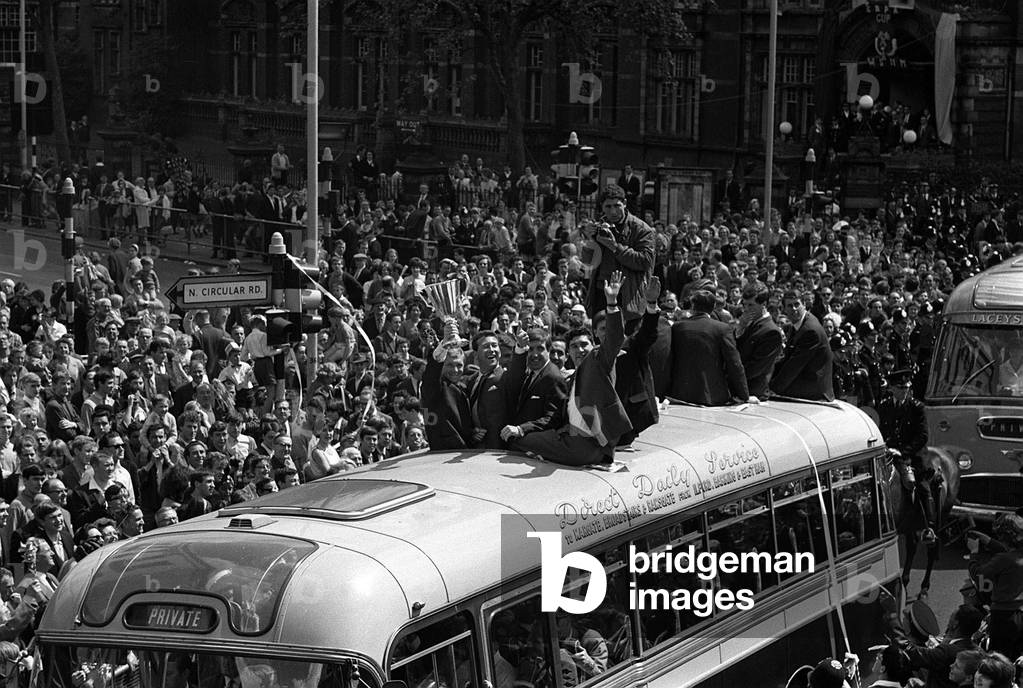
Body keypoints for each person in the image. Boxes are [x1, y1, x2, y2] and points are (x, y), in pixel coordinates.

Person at [513, 271, 631, 466]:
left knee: (517, 441)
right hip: (568, 438)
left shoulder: (600, 363)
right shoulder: (572, 376)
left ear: (594, 346)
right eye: (574, 346)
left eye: (584, 344)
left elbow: (615, 339)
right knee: (517, 438)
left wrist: (611, 303)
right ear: (568, 353)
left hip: (587, 446)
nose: (580, 349)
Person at [581, 186, 656, 324]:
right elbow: (588, 263)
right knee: (601, 341)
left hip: (628, 296)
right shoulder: (599, 227)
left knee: (626, 343)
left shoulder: (641, 229)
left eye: (617, 205)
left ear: (625, 203)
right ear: (602, 207)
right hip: (601, 292)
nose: (613, 211)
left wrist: (615, 247)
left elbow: (646, 261)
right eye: (608, 207)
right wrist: (589, 240)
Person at [668, 290, 750, 405]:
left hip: (679, 394)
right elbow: (734, 364)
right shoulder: (722, 329)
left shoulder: (677, 327)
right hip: (711, 396)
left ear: (692, 306)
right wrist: (744, 395)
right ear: (713, 307)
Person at [967, 515, 1023, 660]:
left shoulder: (1003, 560)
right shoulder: (1016, 556)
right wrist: (988, 541)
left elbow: (978, 574)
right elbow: (1008, 550)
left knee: (996, 660)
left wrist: (973, 553)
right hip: (1020, 615)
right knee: (1015, 656)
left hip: (1003, 617)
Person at [500, 328, 568, 444]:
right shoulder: (532, 373)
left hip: (535, 449)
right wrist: (520, 347)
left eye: (540, 349)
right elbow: (513, 381)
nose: (535, 354)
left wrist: (521, 429)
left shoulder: (553, 377)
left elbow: (553, 419)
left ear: (549, 351)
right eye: (531, 349)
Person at [770, 290, 834, 401]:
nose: (794, 309)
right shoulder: (796, 324)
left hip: (815, 388)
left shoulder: (810, 330)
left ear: (804, 305)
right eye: (790, 306)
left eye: (797, 304)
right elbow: (788, 359)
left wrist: (772, 388)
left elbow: (794, 366)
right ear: (784, 309)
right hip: (805, 378)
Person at [736, 282, 784, 398]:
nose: (746, 309)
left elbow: (756, 368)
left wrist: (731, 378)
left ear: (763, 304)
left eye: (751, 305)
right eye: (745, 305)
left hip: (753, 392)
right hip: (740, 388)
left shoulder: (771, 331)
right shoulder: (748, 323)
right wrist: (740, 328)